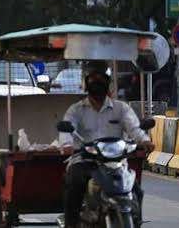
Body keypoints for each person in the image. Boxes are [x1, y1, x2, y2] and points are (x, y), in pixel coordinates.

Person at [60, 62, 154, 228]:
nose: (97, 82)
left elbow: (134, 128)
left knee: (136, 189)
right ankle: (71, 224)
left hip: (115, 162)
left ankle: (135, 221)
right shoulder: (76, 110)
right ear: (86, 83)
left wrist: (144, 140)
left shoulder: (121, 108)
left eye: (101, 78)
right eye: (93, 79)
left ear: (108, 82)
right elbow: (66, 129)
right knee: (75, 183)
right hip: (85, 160)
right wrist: (67, 144)